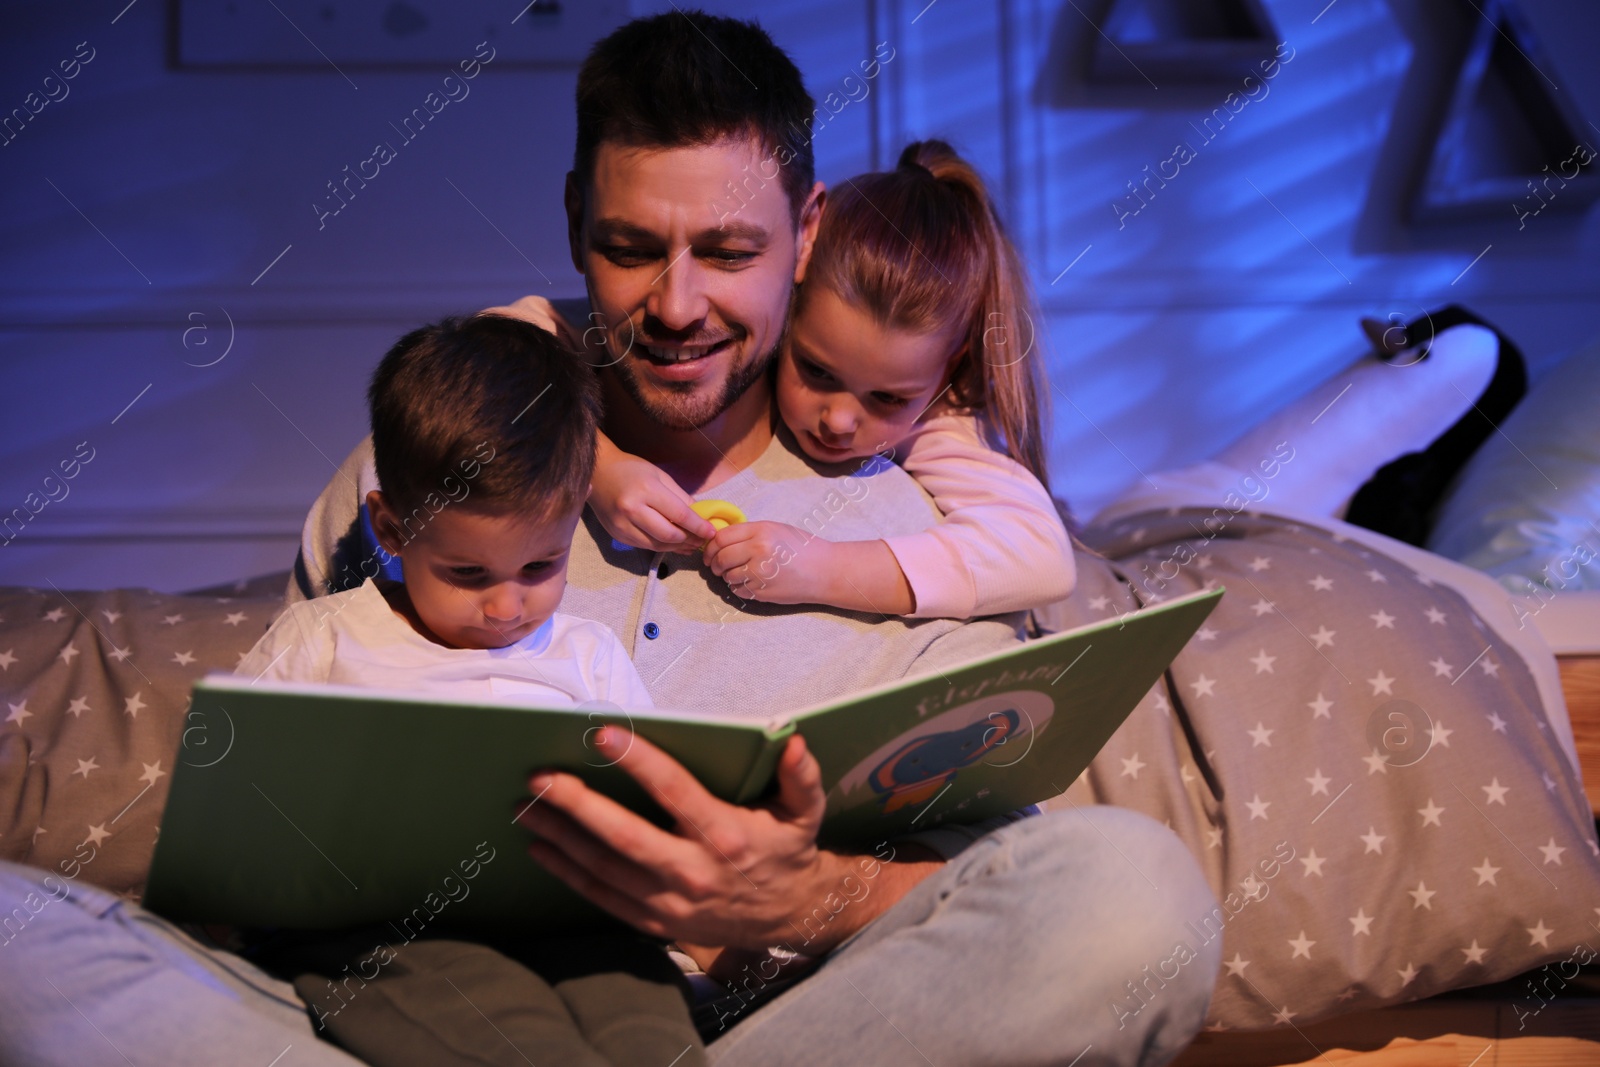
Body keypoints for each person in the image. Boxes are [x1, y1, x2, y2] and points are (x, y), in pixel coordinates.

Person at [0, 12, 1221, 1067]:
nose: (676, 305)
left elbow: (978, 890)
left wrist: (802, 892)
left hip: (747, 1024)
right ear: (577, 217)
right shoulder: (421, 467)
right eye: (631, 248)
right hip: (383, 1015)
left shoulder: (918, 542)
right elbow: (287, 798)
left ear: (806, 231)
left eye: (731, 253)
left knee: (1133, 897)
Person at [233, 313, 707, 1067]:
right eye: (468, 573)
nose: (507, 606)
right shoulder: (324, 638)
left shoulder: (586, 655)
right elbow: (231, 791)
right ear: (390, 527)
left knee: (657, 1038)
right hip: (392, 929)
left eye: (540, 567)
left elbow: (650, 804)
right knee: (521, 1043)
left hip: (575, 924)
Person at [586, 139, 1078, 619]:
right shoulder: (743, 338)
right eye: (817, 371)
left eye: (887, 398)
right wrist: (598, 466)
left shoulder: (940, 422)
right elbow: (523, 326)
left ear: (947, 370)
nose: (839, 420)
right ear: (788, 303)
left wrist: (821, 569)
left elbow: (1040, 557)